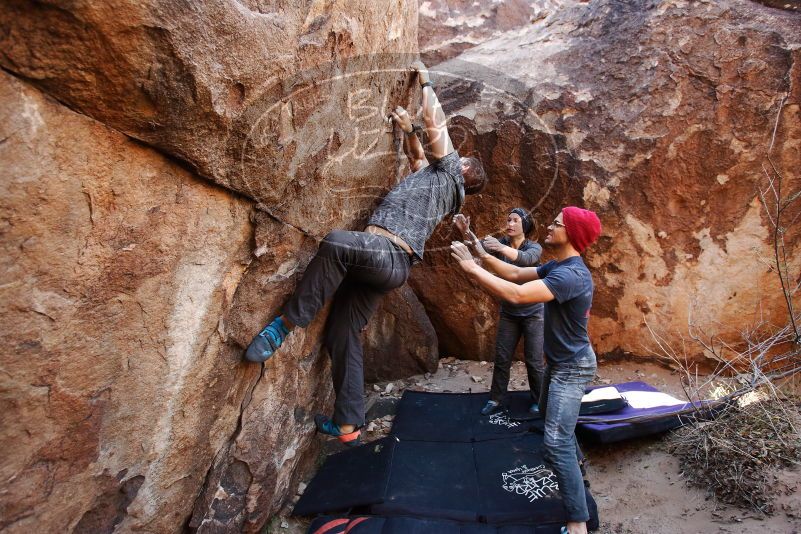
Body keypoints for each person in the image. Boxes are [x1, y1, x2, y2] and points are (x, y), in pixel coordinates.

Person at [245, 60, 488, 448]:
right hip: (386, 265)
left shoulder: (452, 176)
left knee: (338, 242)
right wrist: (408, 131)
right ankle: (348, 424)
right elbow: (416, 159)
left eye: (460, 158)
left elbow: (436, 123)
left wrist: (425, 81)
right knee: (343, 332)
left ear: (464, 170)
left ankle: (284, 326)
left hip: (385, 254)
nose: (455, 156)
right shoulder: (440, 182)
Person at [450, 206, 601, 534]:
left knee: (555, 441)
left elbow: (518, 294)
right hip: (560, 364)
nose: (549, 226)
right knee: (552, 422)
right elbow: (515, 273)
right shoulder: (557, 265)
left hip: (572, 369)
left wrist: (469, 269)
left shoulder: (571, 274)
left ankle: (578, 524)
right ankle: (574, 465)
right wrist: (475, 251)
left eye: (557, 224)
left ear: (571, 234)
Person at [453, 209, 545, 416]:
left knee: (534, 360)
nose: (510, 223)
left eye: (515, 220)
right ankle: (496, 399)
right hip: (509, 312)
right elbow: (478, 250)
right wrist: (466, 232)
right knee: (502, 358)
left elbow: (525, 260)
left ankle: (540, 400)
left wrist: (500, 247)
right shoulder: (500, 242)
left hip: (534, 311)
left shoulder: (534, 247)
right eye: (508, 219)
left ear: (526, 225)